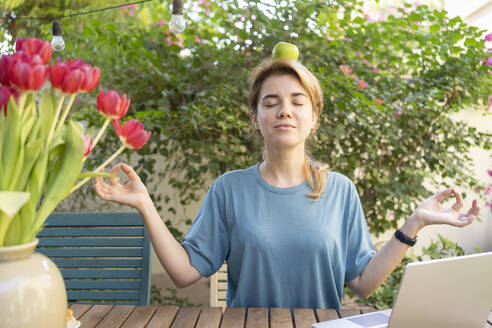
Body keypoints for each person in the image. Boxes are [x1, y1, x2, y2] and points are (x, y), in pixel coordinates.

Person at [94, 58, 480, 309]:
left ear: (314, 117)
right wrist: (146, 204)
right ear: (254, 117)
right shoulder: (229, 190)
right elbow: (183, 274)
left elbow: (363, 284)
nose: (284, 110)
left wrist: (414, 224)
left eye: (297, 101)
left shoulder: (341, 190)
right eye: (271, 101)